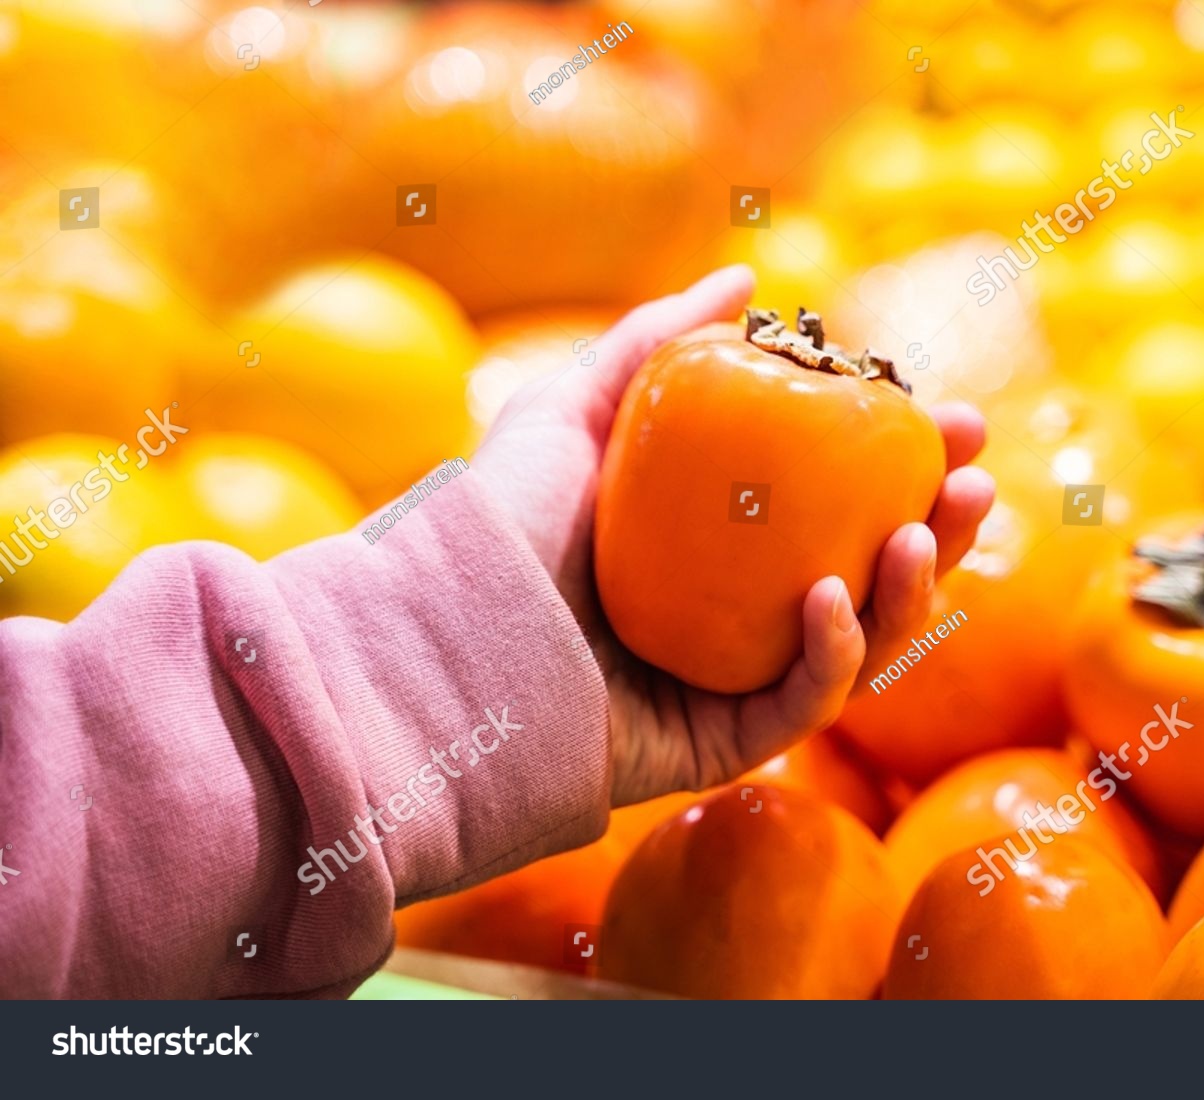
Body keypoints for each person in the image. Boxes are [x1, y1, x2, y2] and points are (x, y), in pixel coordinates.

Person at [0, 266, 994, 998]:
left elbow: (56, 839)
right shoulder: (876, 433)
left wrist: (466, 644)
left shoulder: (709, 376)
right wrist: (447, 657)